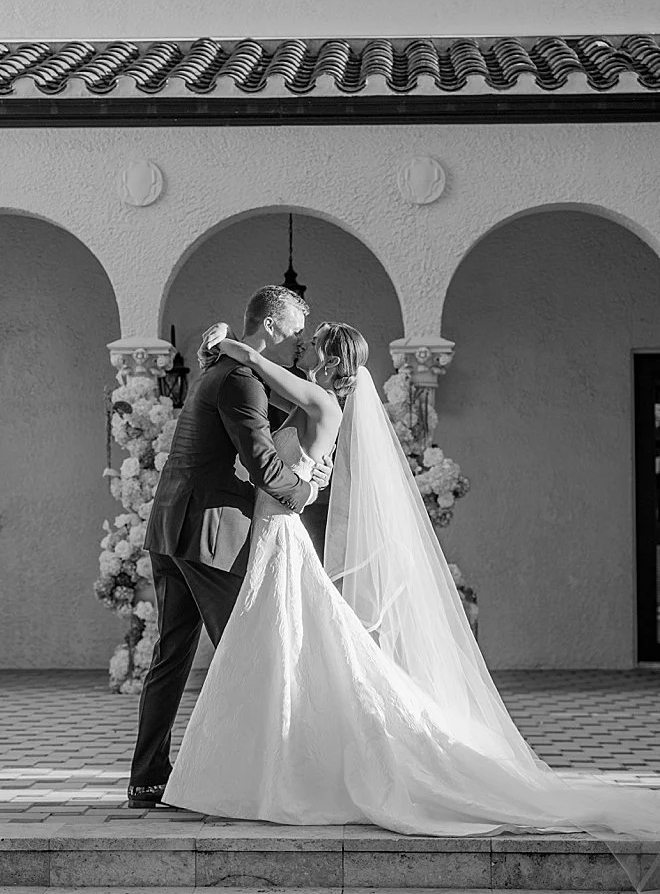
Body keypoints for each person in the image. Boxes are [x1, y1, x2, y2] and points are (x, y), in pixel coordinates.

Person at [162, 319, 660, 845]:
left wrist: (226, 344)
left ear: (331, 362)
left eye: (312, 349)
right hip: (271, 530)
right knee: (283, 648)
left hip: (277, 533)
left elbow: (261, 368)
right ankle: (263, 769)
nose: (303, 354)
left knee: (289, 646)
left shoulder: (321, 401)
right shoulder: (317, 401)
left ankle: (276, 772)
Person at [126, 285, 319, 808]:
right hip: (208, 534)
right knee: (244, 652)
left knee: (172, 654)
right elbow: (261, 464)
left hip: (172, 526)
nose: (298, 344)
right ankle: (236, 780)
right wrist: (305, 491)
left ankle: (147, 781)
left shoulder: (223, 369)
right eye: (297, 332)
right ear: (273, 326)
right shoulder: (238, 378)